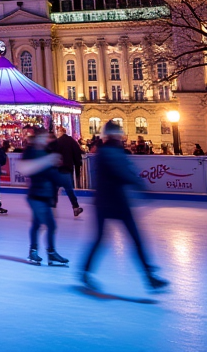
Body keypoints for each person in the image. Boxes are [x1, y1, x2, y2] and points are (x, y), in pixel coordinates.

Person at [82, 121, 170, 292]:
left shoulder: (103, 151)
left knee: (101, 239)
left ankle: (85, 272)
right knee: (135, 239)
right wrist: (140, 186)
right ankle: (149, 275)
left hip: (104, 201)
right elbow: (124, 172)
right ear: (115, 134)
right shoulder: (112, 151)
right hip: (116, 202)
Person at [14, 128, 68, 266]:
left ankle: (37, 252)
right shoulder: (31, 152)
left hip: (45, 194)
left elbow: (51, 173)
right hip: (36, 195)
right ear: (38, 138)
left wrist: (59, 179)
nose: (47, 139)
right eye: (44, 137)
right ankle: (48, 253)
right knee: (50, 225)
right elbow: (26, 169)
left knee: (38, 224)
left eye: (47, 137)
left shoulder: (46, 152)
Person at [51, 126, 84, 217]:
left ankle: (53, 208)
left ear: (60, 132)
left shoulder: (56, 142)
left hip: (57, 169)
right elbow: (77, 153)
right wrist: (78, 164)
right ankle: (75, 207)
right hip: (66, 169)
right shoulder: (71, 141)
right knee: (69, 190)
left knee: (54, 190)